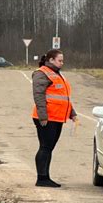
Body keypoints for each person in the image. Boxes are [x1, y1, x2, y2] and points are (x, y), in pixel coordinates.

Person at [31, 49, 77, 188]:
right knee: (45, 147)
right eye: (59, 60)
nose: (62, 63)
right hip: (47, 117)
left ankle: (46, 177)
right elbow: (38, 96)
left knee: (49, 148)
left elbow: (64, 97)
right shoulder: (42, 73)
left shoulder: (57, 74)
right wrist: (43, 116)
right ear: (51, 60)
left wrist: (72, 113)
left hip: (57, 117)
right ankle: (42, 178)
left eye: (62, 60)